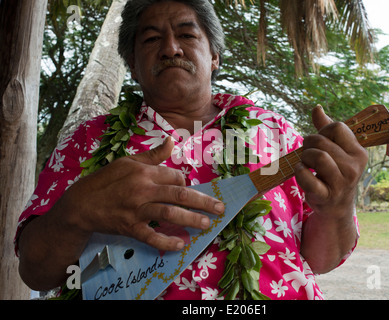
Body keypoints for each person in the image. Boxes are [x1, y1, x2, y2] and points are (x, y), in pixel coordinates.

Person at [15, 0, 368, 300]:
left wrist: (338, 204)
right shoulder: (86, 141)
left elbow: (320, 260)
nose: (171, 48)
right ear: (133, 66)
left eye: (186, 34)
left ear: (214, 55)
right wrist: (77, 210)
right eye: (152, 39)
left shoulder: (276, 133)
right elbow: (36, 271)